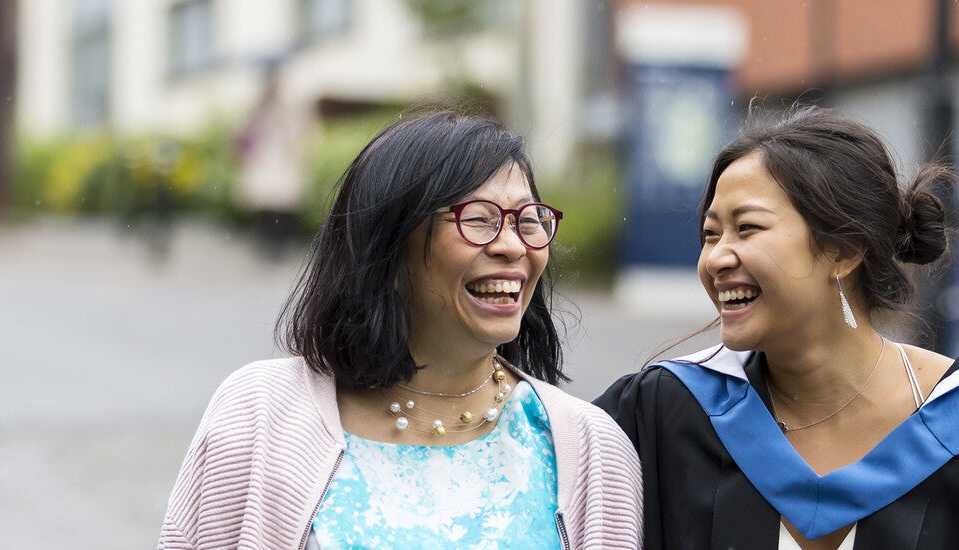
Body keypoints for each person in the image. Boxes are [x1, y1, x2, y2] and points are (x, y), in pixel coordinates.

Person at [595, 106, 959, 549]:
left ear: (845, 250)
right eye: (710, 234)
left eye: (747, 228)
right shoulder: (663, 415)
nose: (717, 257)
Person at [162, 110, 642, 549]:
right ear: (389, 246)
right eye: (480, 219)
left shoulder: (591, 448)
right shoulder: (257, 415)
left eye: (529, 220)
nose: (513, 246)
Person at [234, 64, 307, 261]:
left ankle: (277, 245)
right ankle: (266, 243)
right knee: (264, 205)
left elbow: (299, 132)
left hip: (281, 160)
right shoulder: (256, 107)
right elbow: (242, 131)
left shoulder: (290, 105)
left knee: (280, 206)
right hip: (264, 161)